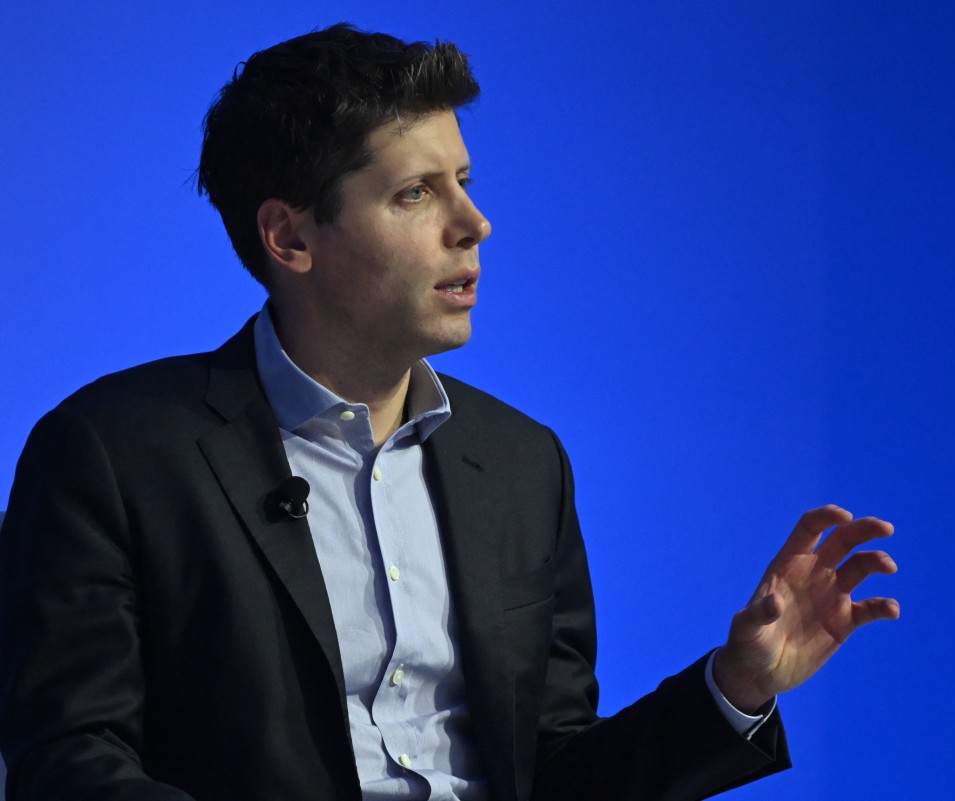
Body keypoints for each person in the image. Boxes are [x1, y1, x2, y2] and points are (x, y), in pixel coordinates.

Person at [0, 23, 899, 801]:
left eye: (463, 180)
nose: (474, 222)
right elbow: (67, 764)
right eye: (415, 193)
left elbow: (553, 771)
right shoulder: (111, 453)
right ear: (290, 236)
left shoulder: (520, 464)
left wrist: (734, 687)